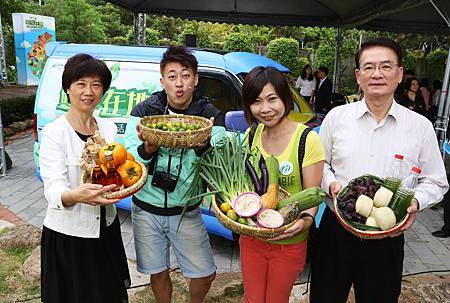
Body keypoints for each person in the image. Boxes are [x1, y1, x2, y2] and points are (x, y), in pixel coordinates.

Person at [310, 38, 448, 303]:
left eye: (386, 66)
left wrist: (415, 202)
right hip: (336, 231)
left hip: (387, 234)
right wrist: (330, 184)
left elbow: (436, 180)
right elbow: (320, 164)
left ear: (399, 75)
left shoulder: (420, 127)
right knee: (324, 297)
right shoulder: (337, 118)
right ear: (358, 76)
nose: (377, 74)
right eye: (369, 67)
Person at [123, 45, 225, 303]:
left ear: (196, 79)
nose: (179, 83)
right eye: (172, 76)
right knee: (158, 271)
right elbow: (126, 159)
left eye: (185, 75)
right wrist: (146, 148)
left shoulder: (209, 117)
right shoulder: (146, 111)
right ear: (162, 80)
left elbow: (220, 162)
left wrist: (205, 147)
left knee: (205, 273)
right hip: (146, 208)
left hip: (186, 211)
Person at [39, 54, 130, 303]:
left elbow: (117, 171)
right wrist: (73, 196)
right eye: (81, 83)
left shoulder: (108, 129)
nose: (88, 91)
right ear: (67, 88)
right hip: (69, 236)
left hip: (106, 230)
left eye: (96, 84)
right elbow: (53, 187)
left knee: (108, 295)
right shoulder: (54, 132)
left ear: (103, 90)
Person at [240, 66, 324, 303]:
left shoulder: (307, 140)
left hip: (289, 242)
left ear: (285, 98)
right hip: (252, 238)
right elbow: (247, 185)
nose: (265, 109)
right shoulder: (252, 135)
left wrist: (306, 220)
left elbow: (312, 195)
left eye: (272, 99)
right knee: (253, 300)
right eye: (256, 101)